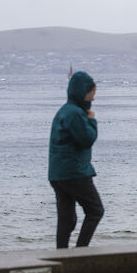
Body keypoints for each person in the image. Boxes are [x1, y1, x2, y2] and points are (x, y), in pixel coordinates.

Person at [48, 71, 104, 248]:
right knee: (95, 211)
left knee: (67, 219)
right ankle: (80, 252)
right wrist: (92, 121)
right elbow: (86, 139)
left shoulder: (64, 111)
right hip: (75, 172)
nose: (93, 99)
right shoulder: (75, 114)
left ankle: (62, 255)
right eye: (91, 94)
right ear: (83, 92)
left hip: (58, 174)